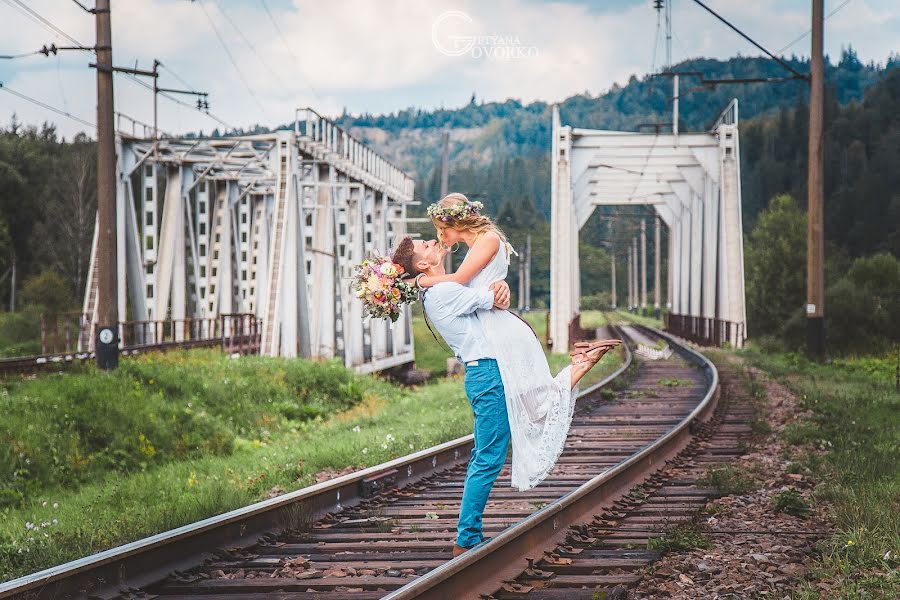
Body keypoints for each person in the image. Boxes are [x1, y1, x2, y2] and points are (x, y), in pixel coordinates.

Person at [391, 235, 618, 558]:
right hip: (488, 375)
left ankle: (582, 364)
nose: (431, 241)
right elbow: (494, 299)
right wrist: (498, 290)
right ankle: (466, 539)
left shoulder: (440, 287)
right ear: (424, 264)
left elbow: (495, 297)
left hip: (494, 370)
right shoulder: (440, 291)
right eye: (424, 246)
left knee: (537, 408)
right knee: (487, 457)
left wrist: (499, 291)